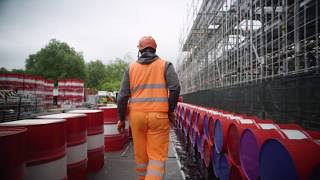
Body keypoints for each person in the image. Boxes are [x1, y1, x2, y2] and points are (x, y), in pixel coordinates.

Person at [117, 36, 180, 180]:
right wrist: (170, 111)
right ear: (155, 49)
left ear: (140, 50)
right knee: (156, 158)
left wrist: (121, 119)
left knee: (141, 156)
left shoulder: (130, 68)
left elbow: (122, 97)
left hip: (137, 117)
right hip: (158, 117)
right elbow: (175, 88)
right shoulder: (165, 65)